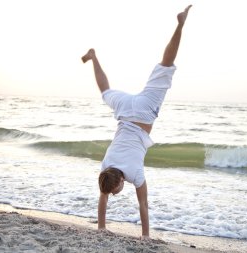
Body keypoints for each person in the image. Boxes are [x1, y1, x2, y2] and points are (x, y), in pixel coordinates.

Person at [81, 5, 192, 240]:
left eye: (115, 190)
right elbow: (104, 196)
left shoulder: (135, 174)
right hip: (124, 109)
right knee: (106, 92)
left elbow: (143, 204)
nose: (114, 194)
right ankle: (94, 56)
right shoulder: (105, 169)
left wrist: (145, 235)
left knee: (165, 67)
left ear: (121, 180)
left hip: (143, 112)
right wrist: (100, 228)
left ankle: (180, 24)